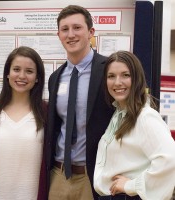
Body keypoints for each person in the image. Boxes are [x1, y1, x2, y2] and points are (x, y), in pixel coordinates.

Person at [46, 5, 114, 200]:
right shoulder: (55, 78)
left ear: (91, 32)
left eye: (77, 27)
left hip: (92, 177)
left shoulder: (108, 70)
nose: (71, 34)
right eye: (65, 29)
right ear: (58, 34)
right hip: (59, 175)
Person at [94, 51, 175, 200]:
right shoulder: (120, 114)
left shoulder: (145, 117)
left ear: (137, 78)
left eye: (125, 75)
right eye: (111, 76)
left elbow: (170, 160)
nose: (117, 82)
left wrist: (131, 186)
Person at [0, 46, 47, 200]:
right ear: (7, 74)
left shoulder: (46, 112)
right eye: (16, 69)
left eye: (29, 71)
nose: (21, 76)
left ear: (37, 77)